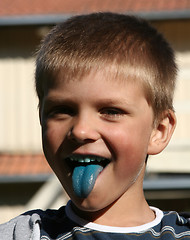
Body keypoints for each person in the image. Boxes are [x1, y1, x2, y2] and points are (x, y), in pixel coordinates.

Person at [0, 12, 190, 240]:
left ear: (158, 131)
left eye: (111, 111)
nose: (80, 131)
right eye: (62, 110)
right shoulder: (24, 234)